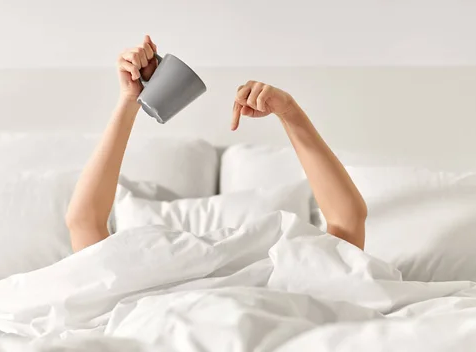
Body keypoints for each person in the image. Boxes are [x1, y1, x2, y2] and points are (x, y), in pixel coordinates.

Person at [66, 35, 367, 252]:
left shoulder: (286, 273)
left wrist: (290, 112)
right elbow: (348, 222)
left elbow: (84, 222)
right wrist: (129, 99)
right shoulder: (136, 282)